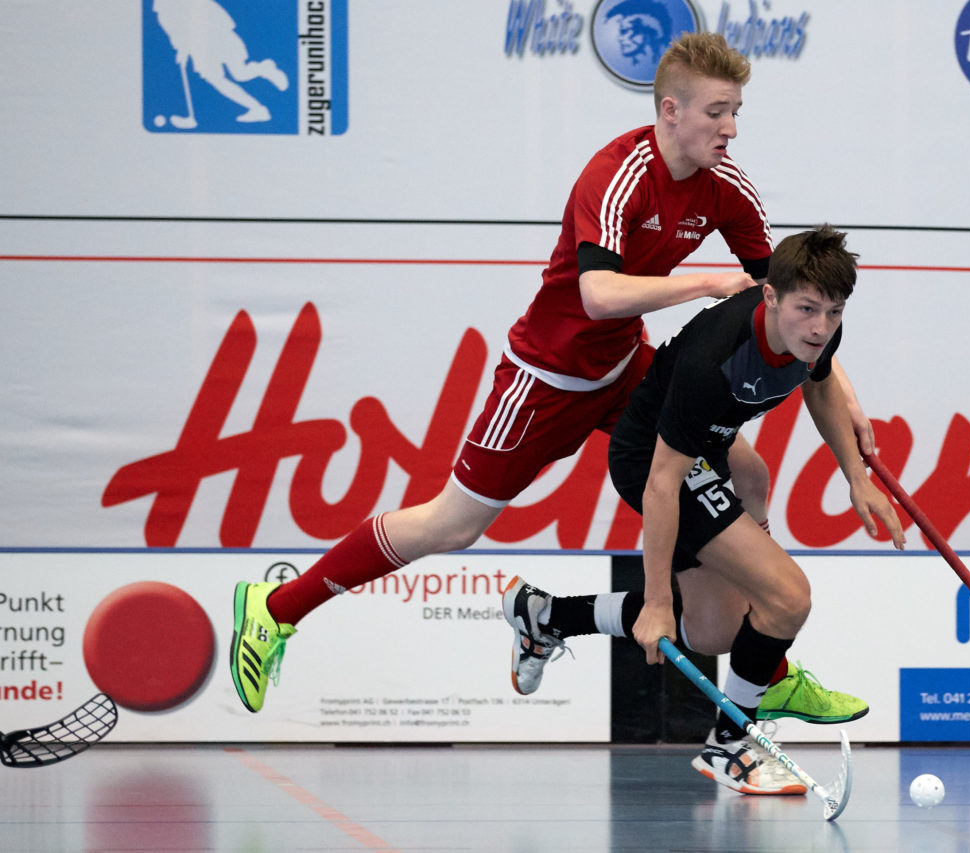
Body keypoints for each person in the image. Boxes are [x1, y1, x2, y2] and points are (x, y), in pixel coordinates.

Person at [229, 33, 876, 729]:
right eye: (718, 112)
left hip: (625, 366)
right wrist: (704, 284)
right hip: (548, 375)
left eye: (737, 111)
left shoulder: (728, 186)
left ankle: (758, 657)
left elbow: (784, 297)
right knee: (453, 525)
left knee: (745, 472)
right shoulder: (617, 175)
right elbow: (596, 293)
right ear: (670, 111)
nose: (731, 128)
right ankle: (274, 609)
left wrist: (844, 390)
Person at [501, 225, 906, 795]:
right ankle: (730, 744)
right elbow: (663, 485)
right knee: (787, 597)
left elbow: (818, 386)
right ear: (770, 297)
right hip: (654, 458)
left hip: (707, 445)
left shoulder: (819, 333)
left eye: (834, 312)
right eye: (807, 309)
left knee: (713, 631)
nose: (820, 326)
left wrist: (857, 479)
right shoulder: (714, 363)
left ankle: (546, 616)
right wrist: (658, 601)